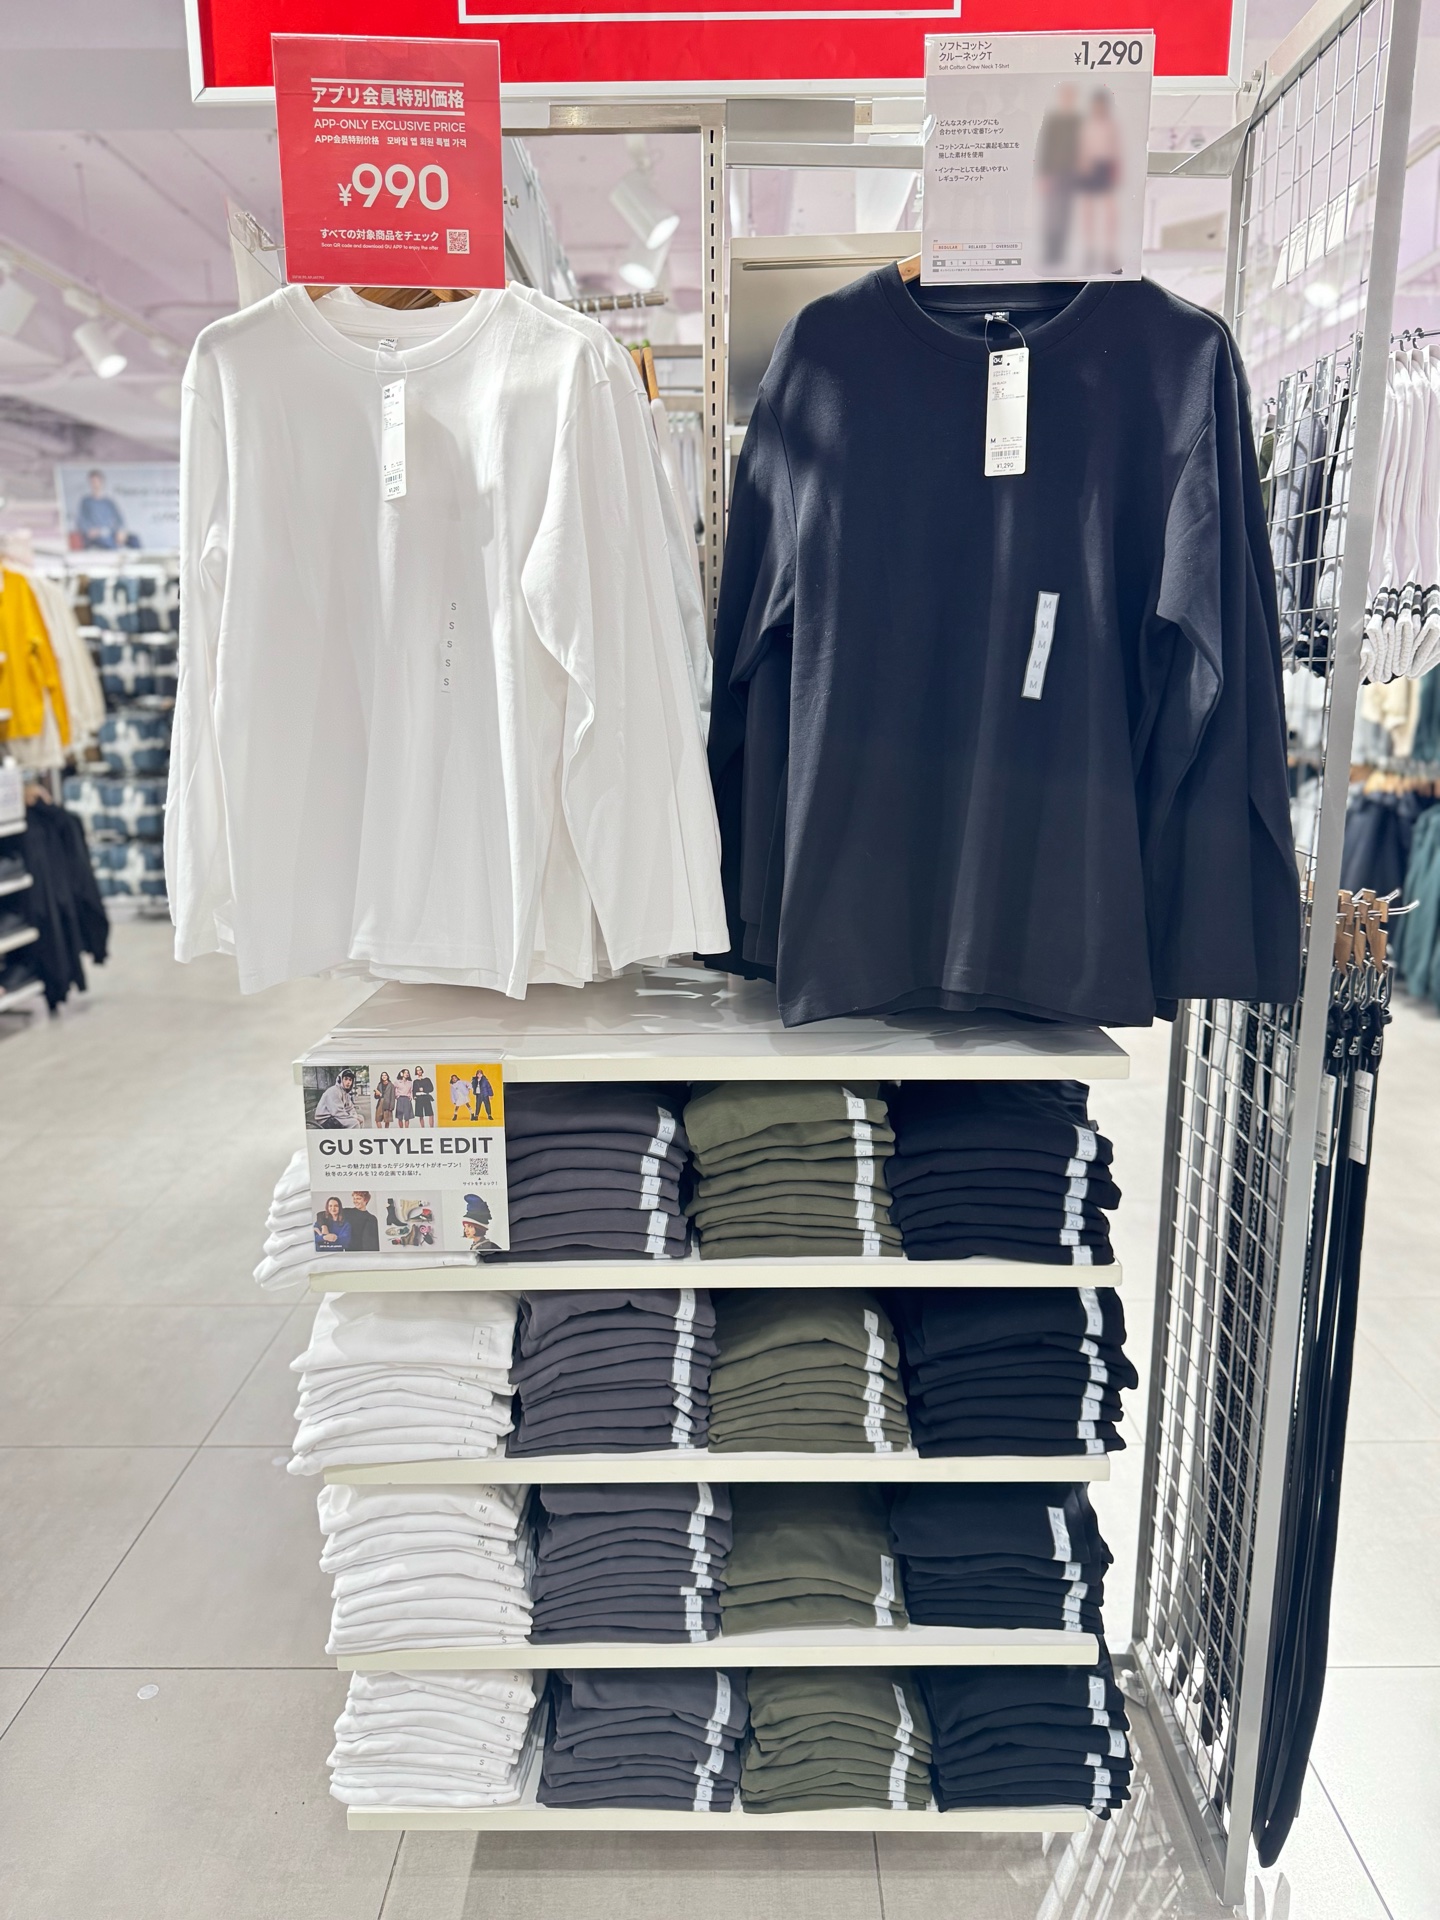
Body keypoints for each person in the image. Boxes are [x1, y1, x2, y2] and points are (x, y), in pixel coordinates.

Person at [1034, 84, 1082, 270]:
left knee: (1067, 214)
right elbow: (1044, 148)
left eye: (1071, 96)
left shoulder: (1079, 121)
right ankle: (1051, 253)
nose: (1068, 99)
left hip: (1072, 174)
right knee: (1051, 214)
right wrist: (1044, 175)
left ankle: (1062, 253)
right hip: (1054, 173)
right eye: (1065, 96)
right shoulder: (1051, 121)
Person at [1076, 87, 1123, 275]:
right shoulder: (1085, 125)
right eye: (1096, 105)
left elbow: (1115, 148)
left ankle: (1109, 257)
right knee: (1088, 215)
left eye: (1101, 105)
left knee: (1109, 216)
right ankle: (1089, 255)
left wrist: (1115, 171)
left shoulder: (1111, 125)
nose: (1098, 108)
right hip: (1087, 169)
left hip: (1105, 168)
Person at [75, 469, 139, 551]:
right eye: (93, 482)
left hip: (110, 532)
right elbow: (81, 521)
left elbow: (119, 519)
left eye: (97, 481)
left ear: (102, 482)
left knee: (134, 540)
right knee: (108, 542)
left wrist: (121, 530)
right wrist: (89, 530)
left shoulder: (109, 502)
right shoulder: (86, 502)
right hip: (97, 536)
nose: (95, 484)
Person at [342, 1189, 380, 1254]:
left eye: (358, 1198)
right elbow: (326, 1214)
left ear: (366, 1200)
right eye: (354, 1199)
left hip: (364, 1254)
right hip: (349, 1253)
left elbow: (373, 1243)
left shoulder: (371, 1218)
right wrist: (324, 1226)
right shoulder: (347, 1212)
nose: (355, 1201)